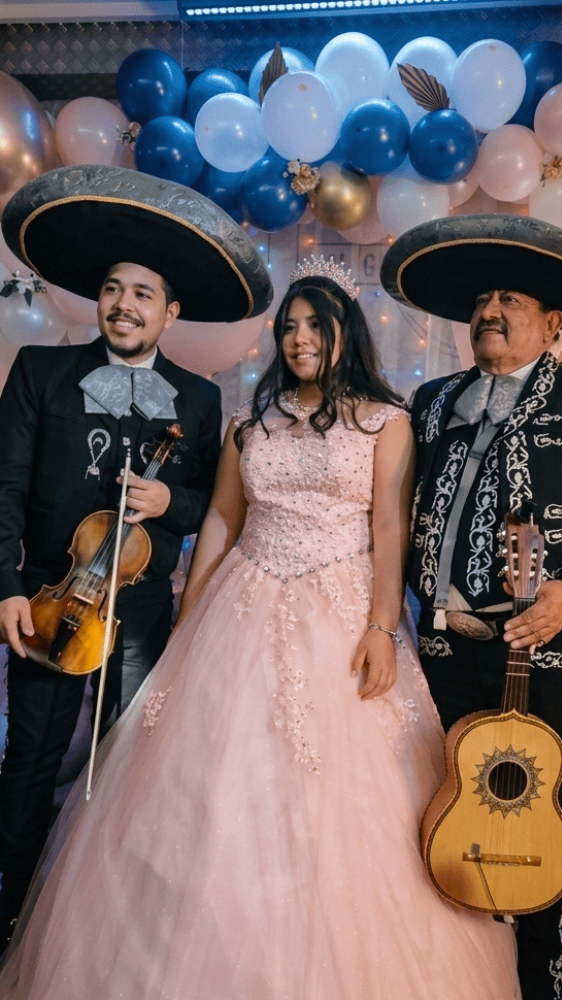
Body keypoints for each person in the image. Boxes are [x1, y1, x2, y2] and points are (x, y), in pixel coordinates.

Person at [0, 258, 523, 998]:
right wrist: (188, 624)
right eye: (290, 326)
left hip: (340, 612)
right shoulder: (251, 419)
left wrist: (380, 626)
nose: (300, 338)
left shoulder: (388, 421)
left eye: (315, 324)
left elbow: (387, 529)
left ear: (346, 333)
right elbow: (219, 518)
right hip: (242, 603)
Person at [381, 214, 562, 1000]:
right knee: (431, 815)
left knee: (540, 823)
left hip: (542, 652)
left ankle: (544, 986)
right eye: (482, 298)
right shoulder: (431, 401)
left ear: (552, 324)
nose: (490, 310)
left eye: (510, 298)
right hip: (434, 650)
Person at [0, 164, 272, 949]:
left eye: (143, 293)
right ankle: (13, 918)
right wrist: (6, 588)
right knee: (29, 763)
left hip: (145, 611)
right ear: (99, 300)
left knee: (128, 770)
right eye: (114, 289)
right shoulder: (41, 372)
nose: (124, 303)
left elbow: (216, 506)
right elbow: (4, 486)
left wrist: (170, 504)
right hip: (54, 599)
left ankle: (102, 928)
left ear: (170, 311)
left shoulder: (197, 398)